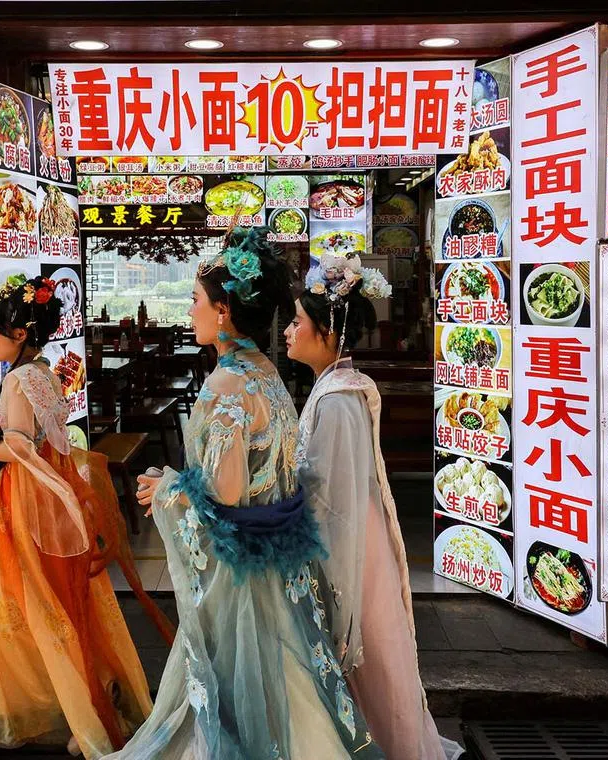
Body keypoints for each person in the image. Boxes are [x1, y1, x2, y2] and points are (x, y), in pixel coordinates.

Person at [108, 229, 383, 760]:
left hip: (240, 573)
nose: (189, 311)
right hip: (278, 562)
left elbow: (227, 492)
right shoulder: (267, 371)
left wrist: (170, 486)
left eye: (195, 300)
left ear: (224, 310)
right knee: (288, 683)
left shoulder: (227, 382)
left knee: (242, 687)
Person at [0, 275, 174, 758]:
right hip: (50, 496)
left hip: (21, 501)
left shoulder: (17, 379)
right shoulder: (46, 373)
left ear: (20, 334)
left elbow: (17, 447)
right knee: (63, 599)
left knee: (23, 602)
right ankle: (89, 697)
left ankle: (56, 710)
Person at [284, 256, 463, 760]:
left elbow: (326, 497)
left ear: (328, 332)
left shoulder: (338, 401)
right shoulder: (336, 389)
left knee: (365, 652)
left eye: (297, 322)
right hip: (357, 535)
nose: (290, 332)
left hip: (350, 545)